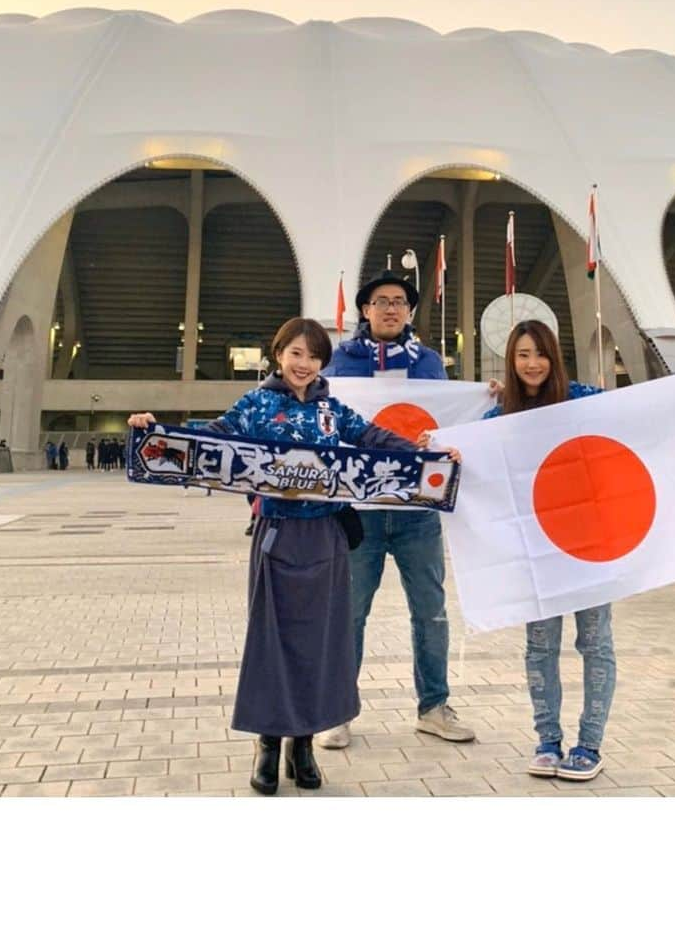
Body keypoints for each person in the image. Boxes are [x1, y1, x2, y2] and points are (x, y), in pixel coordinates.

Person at [127, 317, 461, 796]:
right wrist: (155, 431)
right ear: (278, 354)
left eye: (314, 355)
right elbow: (212, 438)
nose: (304, 364)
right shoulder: (257, 403)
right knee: (273, 642)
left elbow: (373, 438)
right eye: (296, 353)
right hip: (277, 536)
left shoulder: (331, 409)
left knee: (321, 643)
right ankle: (268, 743)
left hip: (326, 536)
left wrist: (427, 453)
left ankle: (302, 744)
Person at [482, 320, 675, 781]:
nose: (532, 363)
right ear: (511, 361)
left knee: (595, 643)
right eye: (522, 355)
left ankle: (589, 744)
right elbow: (474, 460)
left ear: (554, 357)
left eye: (540, 353)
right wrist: (440, 449)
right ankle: (547, 741)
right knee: (540, 647)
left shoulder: (581, 398)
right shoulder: (501, 416)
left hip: (590, 547)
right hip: (539, 553)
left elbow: (640, 409)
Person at [316, 270, 475, 750]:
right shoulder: (339, 363)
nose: (390, 308)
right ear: (364, 310)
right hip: (359, 508)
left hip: (417, 511)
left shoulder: (429, 363)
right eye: (381, 301)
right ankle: (337, 710)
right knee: (349, 612)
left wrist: (482, 400)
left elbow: (448, 419)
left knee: (430, 612)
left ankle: (433, 707)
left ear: (409, 311)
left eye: (400, 301)